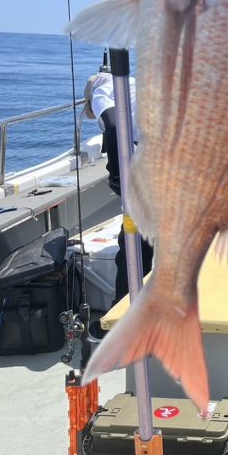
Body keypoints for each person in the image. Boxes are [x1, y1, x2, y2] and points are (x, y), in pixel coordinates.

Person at [83, 71, 154, 313]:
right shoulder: (132, 84)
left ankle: (123, 314)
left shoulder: (100, 91)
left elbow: (113, 126)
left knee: (133, 243)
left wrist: (116, 173)